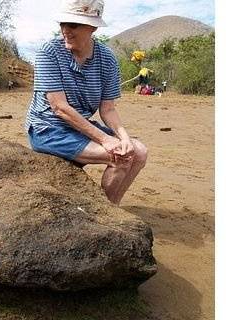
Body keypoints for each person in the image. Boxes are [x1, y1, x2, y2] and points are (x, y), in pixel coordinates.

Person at [25, 0, 148, 205]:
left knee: (139, 151)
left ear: (93, 27)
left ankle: (112, 206)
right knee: (121, 157)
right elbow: (59, 107)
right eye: (62, 24)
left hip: (80, 127)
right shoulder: (49, 52)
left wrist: (123, 137)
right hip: (48, 129)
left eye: (73, 25)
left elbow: (108, 108)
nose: (65, 30)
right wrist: (106, 140)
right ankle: (104, 213)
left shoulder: (107, 59)